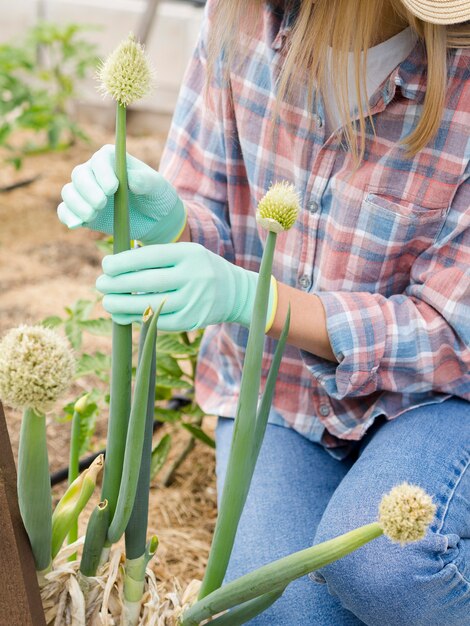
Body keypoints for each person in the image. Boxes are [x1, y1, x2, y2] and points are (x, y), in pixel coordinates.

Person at [58, 0, 470, 623]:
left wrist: (263, 301)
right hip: (280, 394)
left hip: (440, 399)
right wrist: (171, 222)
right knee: (274, 610)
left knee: (388, 564)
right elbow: (207, 215)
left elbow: (449, 333)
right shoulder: (240, 19)